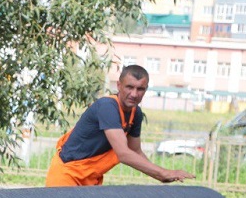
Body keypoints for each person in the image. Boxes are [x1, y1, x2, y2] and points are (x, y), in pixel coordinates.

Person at [45, 64, 195, 187]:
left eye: (140, 89)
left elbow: (135, 151)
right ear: (119, 85)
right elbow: (123, 153)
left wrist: (161, 175)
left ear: (146, 89)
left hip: (91, 178)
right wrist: (163, 173)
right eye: (129, 87)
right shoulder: (107, 106)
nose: (134, 94)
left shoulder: (136, 114)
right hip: (67, 174)